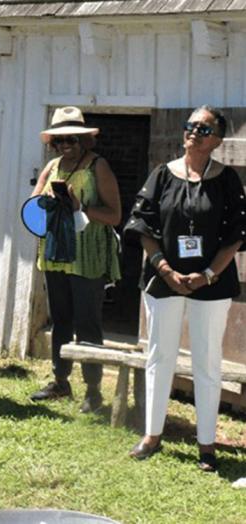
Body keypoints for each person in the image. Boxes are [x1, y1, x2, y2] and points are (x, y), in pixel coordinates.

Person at [123, 106, 245, 472]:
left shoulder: (227, 180)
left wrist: (206, 274)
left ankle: (206, 444)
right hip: (164, 280)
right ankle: (152, 435)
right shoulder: (162, 175)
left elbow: (236, 235)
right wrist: (165, 269)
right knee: (160, 356)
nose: (193, 132)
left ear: (217, 140)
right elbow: (142, 225)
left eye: (203, 129)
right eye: (190, 126)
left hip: (212, 282)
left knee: (207, 361)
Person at [29, 106, 121, 413]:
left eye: (72, 138)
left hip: (87, 254)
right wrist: (45, 203)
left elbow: (115, 215)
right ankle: (60, 381)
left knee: (87, 321)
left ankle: (93, 391)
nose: (65, 145)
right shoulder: (52, 166)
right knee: (61, 319)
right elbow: (31, 207)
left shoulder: (98, 166)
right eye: (59, 140)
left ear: (84, 140)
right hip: (56, 252)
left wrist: (79, 207)